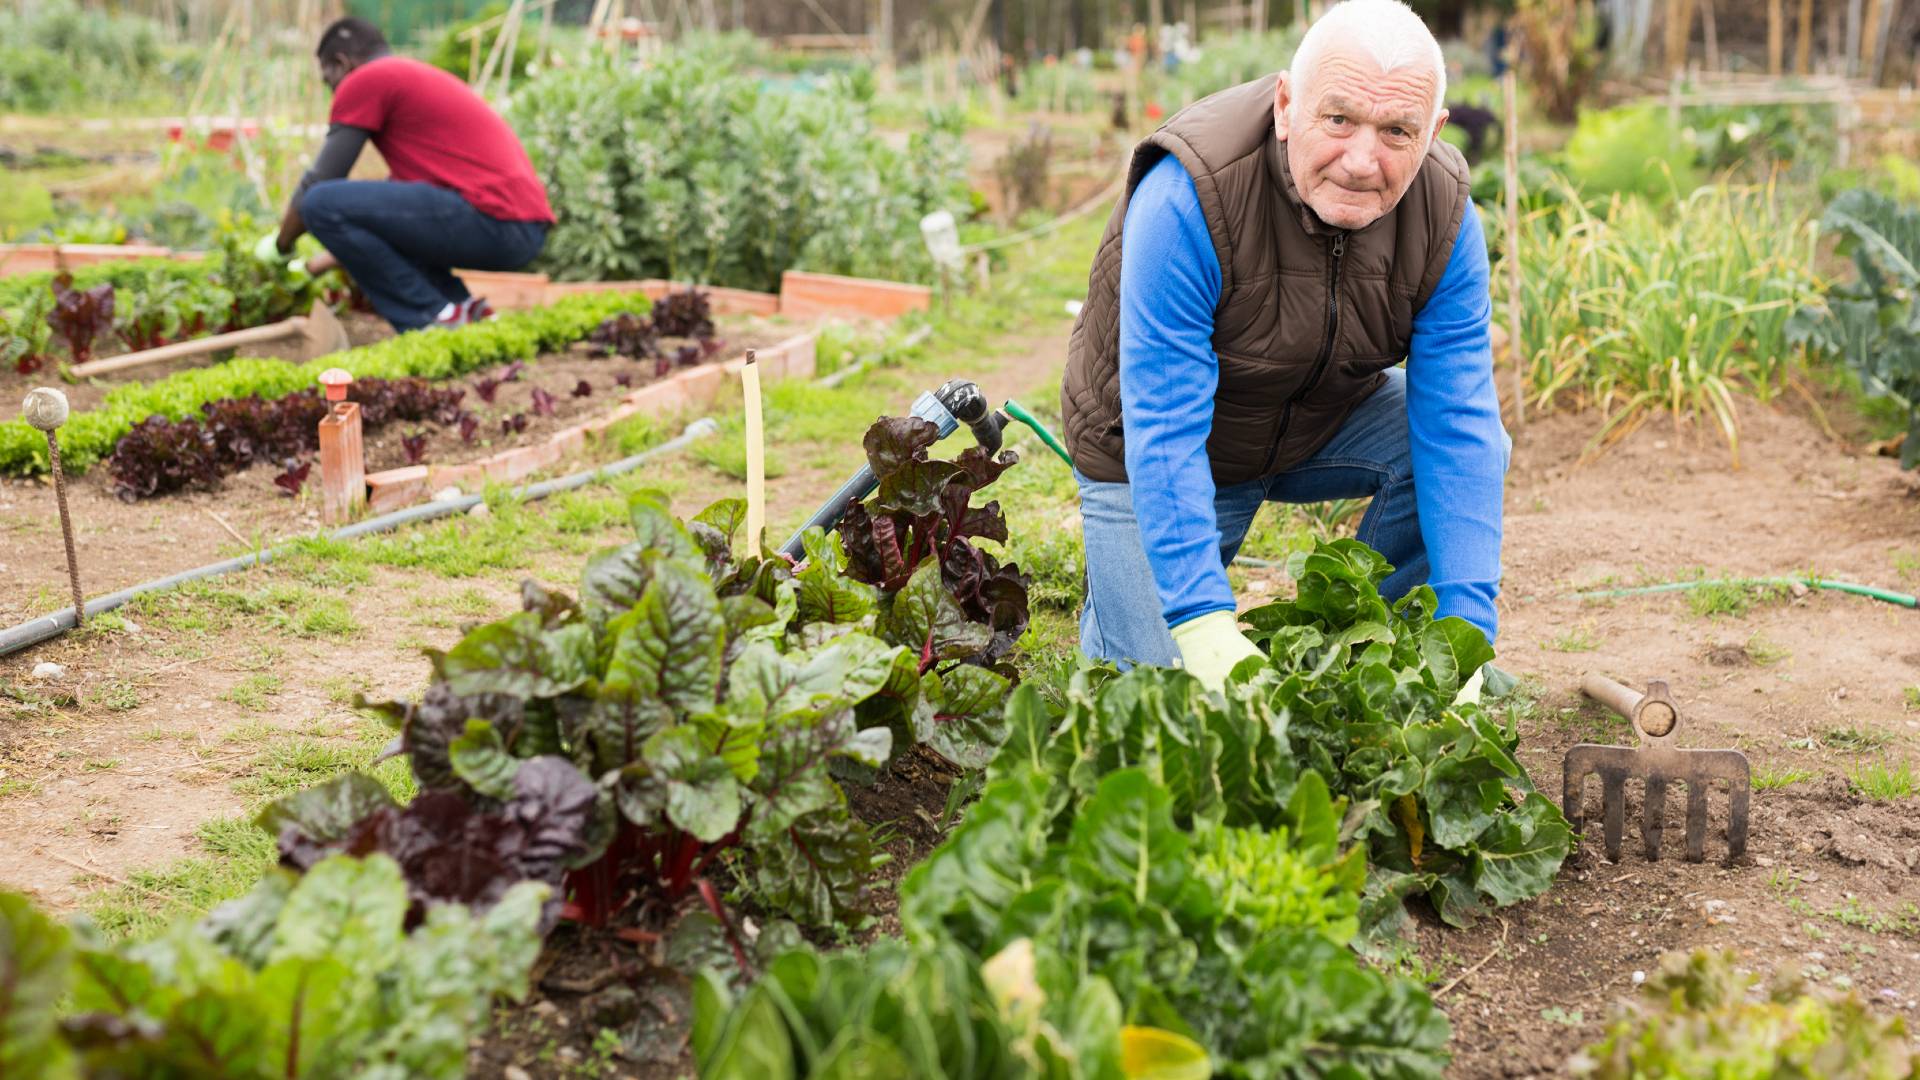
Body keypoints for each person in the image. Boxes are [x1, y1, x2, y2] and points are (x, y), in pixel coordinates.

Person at [1061, 0, 1508, 693]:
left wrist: (1468, 632)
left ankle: (1360, 658)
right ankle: (1126, 610)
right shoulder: (1192, 192)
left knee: (1470, 450)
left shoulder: (1443, 215)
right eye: (1338, 119)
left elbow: (1459, 422)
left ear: (1434, 132)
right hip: (1151, 449)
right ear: (1284, 104)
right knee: (1159, 702)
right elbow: (1165, 423)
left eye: (1397, 130)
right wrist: (1204, 621)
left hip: (1312, 421)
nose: (1363, 161)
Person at [255, 17, 554, 332]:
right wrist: (315, 266)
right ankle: (461, 311)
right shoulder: (408, 77)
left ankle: (431, 318)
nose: (332, 92)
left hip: (494, 219)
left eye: (328, 79)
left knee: (319, 203)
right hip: (519, 229)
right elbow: (387, 222)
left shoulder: (367, 79)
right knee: (352, 206)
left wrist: (281, 247)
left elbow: (319, 183)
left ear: (341, 63)